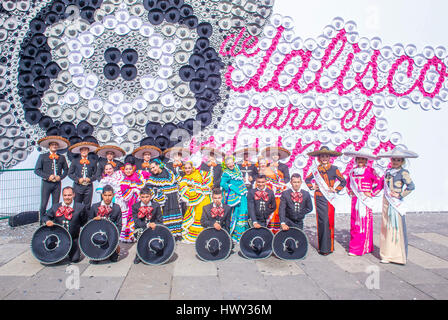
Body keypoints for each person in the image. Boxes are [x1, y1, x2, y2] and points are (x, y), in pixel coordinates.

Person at [377, 147, 417, 265]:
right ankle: (386, 254)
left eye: (398, 160)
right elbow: (381, 185)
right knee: (386, 227)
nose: (395, 162)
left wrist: (400, 195)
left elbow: (411, 187)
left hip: (395, 203)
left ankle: (397, 256)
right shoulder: (387, 172)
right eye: (394, 159)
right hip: (386, 202)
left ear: (402, 161)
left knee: (395, 228)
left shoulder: (403, 173)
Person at [305, 146, 346, 255]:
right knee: (321, 222)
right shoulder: (316, 170)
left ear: (329, 157)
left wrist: (335, 189)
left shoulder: (334, 169)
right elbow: (307, 179)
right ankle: (322, 248)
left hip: (329, 198)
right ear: (319, 158)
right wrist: (312, 186)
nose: (324, 158)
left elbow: (343, 181)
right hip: (319, 197)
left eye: (326, 156)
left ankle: (329, 247)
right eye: (322, 156)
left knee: (329, 221)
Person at [345, 151, 382, 257]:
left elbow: (379, 183)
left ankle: (364, 247)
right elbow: (348, 184)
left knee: (364, 224)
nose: (361, 160)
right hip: (355, 200)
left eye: (363, 159)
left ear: (366, 160)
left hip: (365, 200)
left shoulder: (371, 170)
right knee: (355, 223)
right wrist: (350, 192)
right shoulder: (352, 172)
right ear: (356, 160)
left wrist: (372, 193)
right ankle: (355, 247)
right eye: (359, 159)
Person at [42, 186, 87, 263]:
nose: (67, 197)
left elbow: (84, 221)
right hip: (59, 238)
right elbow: (45, 216)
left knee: (75, 259)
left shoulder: (80, 207)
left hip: (73, 238)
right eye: (65, 195)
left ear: (73, 195)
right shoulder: (55, 207)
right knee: (55, 259)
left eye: (69, 195)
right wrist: (47, 221)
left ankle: (73, 251)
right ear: (62, 196)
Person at [145, 159, 183, 241]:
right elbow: (149, 189)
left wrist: (179, 191)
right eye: (151, 168)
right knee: (165, 216)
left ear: (158, 165)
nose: (152, 170)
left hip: (174, 198)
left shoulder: (169, 172)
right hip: (164, 200)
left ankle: (176, 234)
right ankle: (167, 234)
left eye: (153, 167)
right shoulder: (152, 178)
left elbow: (179, 180)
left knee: (175, 214)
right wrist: (158, 194)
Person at [34, 136, 70, 224]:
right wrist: (47, 176)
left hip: (57, 184)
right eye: (52, 144)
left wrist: (60, 177)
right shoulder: (42, 156)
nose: (54, 146)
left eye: (56, 145)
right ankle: (42, 221)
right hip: (46, 183)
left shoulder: (61, 157)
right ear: (49, 146)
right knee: (43, 203)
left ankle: (55, 221)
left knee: (55, 204)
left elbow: (66, 170)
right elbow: (37, 170)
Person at [178, 161, 213, 243]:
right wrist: (193, 190)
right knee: (196, 216)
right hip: (194, 201)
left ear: (192, 168)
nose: (187, 170)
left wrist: (203, 187)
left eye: (189, 168)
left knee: (205, 214)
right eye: (186, 168)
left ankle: (205, 235)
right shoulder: (184, 178)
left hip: (205, 198)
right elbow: (183, 189)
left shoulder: (199, 173)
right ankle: (196, 237)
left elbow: (209, 177)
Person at [88, 185, 122, 263]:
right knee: (95, 260)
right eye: (105, 195)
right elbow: (88, 222)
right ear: (102, 195)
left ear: (113, 195)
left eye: (110, 195)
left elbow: (119, 225)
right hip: (97, 235)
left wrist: (116, 241)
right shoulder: (95, 206)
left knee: (114, 259)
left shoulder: (117, 207)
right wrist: (93, 220)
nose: (107, 198)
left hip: (110, 235)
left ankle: (112, 249)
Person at [220, 155, 249, 243]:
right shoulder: (226, 173)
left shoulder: (237, 168)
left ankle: (242, 234)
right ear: (226, 165)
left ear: (233, 162)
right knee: (236, 213)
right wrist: (230, 186)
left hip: (242, 193)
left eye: (231, 163)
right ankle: (235, 235)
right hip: (236, 196)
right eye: (228, 164)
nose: (230, 165)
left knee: (244, 212)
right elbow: (222, 184)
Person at [132, 186, 163, 264]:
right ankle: (139, 254)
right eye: (143, 197)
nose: (145, 199)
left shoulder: (156, 205)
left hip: (153, 228)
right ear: (140, 197)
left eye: (147, 197)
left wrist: (155, 225)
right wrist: (147, 225)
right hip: (141, 228)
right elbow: (137, 222)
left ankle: (156, 251)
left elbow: (160, 220)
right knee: (140, 233)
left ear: (151, 196)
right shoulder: (135, 206)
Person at [257, 156, 287, 234]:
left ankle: (274, 231)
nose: (263, 165)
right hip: (262, 196)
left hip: (274, 196)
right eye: (261, 163)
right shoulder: (259, 172)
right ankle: (264, 231)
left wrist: (274, 187)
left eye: (264, 163)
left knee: (275, 213)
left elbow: (281, 181)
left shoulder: (275, 171)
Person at [119, 163, 148, 242]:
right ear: (124, 170)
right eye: (126, 169)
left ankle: (142, 235)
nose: (128, 171)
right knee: (132, 216)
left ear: (133, 169)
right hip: (131, 203)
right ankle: (131, 236)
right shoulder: (124, 182)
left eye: (130, 169)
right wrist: (133, 190)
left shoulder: (138, 176)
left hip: (141, 200)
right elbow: (124, 194)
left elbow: (148, 175)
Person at [68, 142, 99, 213]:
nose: (84, 151)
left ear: (88, 151)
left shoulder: (93, 161)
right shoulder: (75, 161)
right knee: (76, 204)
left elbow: (96, 174)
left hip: (88, 187)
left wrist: (90, 179)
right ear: (80, 151)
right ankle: (77, 221)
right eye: (82, 150)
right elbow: (70, 173)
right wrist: (78, 179)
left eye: (86, 150)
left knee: (87, 205)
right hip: (77, 186)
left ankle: (86, 222)